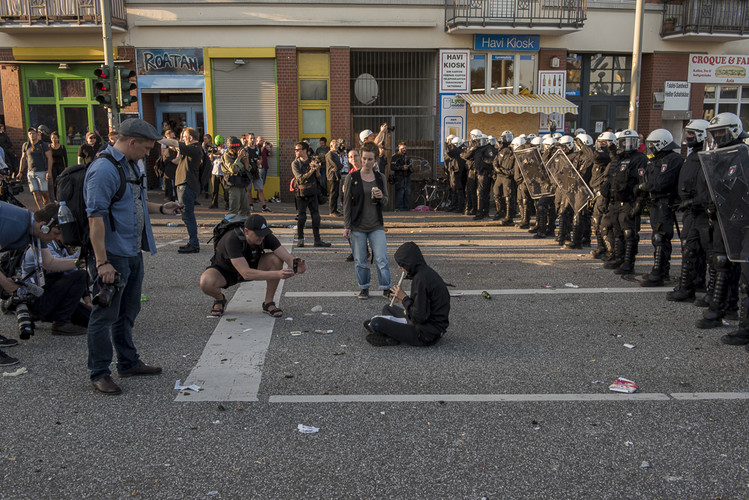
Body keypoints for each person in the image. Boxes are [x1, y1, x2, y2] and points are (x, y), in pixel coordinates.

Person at [83, 118, 182, 395]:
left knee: (127, 312)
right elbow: (96, 218)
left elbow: (135, 201)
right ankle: (99, 372)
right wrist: (102, 262)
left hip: (132, 251)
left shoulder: (128, 165)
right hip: (113, 255)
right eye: (147, 148)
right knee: (104, 315)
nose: (148, 154)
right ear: (131, 142)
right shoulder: (103, 169)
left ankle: (128, 362)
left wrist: (162, 209)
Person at [0, 201, 73, 365]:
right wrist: (8, 285)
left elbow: (49, 263)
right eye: (55, 233)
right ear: (44, 226)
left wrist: (78, 262)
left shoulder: (36, 231)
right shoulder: (15, 225)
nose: (57, 238)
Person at [200, 214, 306, 317]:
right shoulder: (232, 239)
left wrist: (296, 265)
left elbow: (286, 257)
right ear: (246, 231)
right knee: (206, 282)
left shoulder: (264, 235)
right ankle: (220, 299)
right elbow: (246, 273)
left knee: (276, 259)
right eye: (258, 234)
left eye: (264, 233)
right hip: (226, 270)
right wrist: (278, 274)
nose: (262, 237)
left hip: (252, 265)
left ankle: (268, 302)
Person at [364, 241, 450, 347]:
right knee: (388, 308)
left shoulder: (421, 280)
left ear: (409, 263)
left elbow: (419, 317)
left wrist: (404, 299)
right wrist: (401, 300)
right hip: (426, 324)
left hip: (426, 334)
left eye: (402, 264)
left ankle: (390, 337)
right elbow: (422, 307)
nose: (400, 267)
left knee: (376, 322)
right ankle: (391, 332)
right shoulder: (424, 273)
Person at [21, 227, 91, 335]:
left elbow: (75, 276)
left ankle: (51, 317)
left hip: (50, 297)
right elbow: (53, 265)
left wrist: (88, 302)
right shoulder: (41, 246)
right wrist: (78, 261)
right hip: (35, 300)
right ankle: (61, 323)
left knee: (91, 318)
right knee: (81, 275)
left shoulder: (62, 248)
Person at [342, 142, 390, 300]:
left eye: (370, 159)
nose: (366, 162)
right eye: (364, 158)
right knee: (360, 260)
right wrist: (347, 226)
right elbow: (347, 204)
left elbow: (386, 201)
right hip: (357, 226)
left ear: (375, 159)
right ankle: (364, 288)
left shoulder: (380, 177)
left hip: (376, 225)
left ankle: (385, 288)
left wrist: (381, 197)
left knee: (382, 258)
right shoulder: (352, 177)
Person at [639, 129, 683, 287]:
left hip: (665, 202)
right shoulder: (655, 160)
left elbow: (661, 182)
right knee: (657, 237)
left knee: (661, 237)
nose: (650, 148)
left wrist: (645, 186)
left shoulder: (673, 159)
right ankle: (662, 270)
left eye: (653, 144)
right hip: (655, 203)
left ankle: (658, 273)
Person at [160, 127, 204, 254]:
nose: (182, 140)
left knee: (188, 215)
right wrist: (179, 150)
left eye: (184, 137)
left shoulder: (194, 148)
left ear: (190, 138)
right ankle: (192, 242)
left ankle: (194, 244)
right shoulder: (190, 150)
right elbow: (177, 160)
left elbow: (173, 143)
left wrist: (158, 139)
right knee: (186, 215)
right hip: (184, 184)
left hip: (187, 185)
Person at [291, 142, 331, 248]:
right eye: (295, 150)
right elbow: (300, 179)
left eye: (298, 149)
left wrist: (316, 170)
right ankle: (300, 239)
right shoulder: (295, 163)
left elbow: (318, 177)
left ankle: (317, 240)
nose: (296, 152)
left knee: (316, 216)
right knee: (302, 217)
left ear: (305, 150)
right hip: (301, 193)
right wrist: (311, 171)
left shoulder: (312, 161)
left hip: (313, 191)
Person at [18, 127, 52, 209]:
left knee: (44, 193)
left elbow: (49, 158)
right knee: (35, 192)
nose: (32, 135)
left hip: (42, 171)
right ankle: (41, 210)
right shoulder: (26, 145)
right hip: (31, 172)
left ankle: (48, 208)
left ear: (37, 134)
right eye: (30, 133)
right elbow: (23, 158)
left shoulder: (43, 145)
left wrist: (49, 171)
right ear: (28, 135)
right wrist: (20, 171)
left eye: (33, 133)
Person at [221, 136, 252, 217]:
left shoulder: (240, 155)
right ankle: (230, 225)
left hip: (243, 183)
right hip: (233, 184)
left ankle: (243, 225)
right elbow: (233, 169)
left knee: (245, 209)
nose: (239, 150)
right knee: (233, 209)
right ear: (232, 148)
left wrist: (246, 159)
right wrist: (239, 157)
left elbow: (247, 169)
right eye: (237, 148)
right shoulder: (227, 156)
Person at [390, 142, 413, 211]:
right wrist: (402, 167)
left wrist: (410, 168)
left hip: (407, 177)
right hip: (399, 177)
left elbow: (410, 166)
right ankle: (400, 208)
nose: (404, 149)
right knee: (401, 192)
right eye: (402, 148)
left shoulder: (407, 157)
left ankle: (406, 208)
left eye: (405, 148)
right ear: (399, 148)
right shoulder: (395, 156)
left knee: (407, 192)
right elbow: (392, 167)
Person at [325, 139, 343, 216]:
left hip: (336, 176)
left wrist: (339, 166)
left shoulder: (336, 154)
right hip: (332, 176)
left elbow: (339, 165)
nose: (337, 147)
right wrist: (339, 166)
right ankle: (332, 211)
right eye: (335, 145)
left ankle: (335, 210)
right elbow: (337, 165)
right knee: (333, 193)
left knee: (336, 194)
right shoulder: (330, 154)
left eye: (337, 145)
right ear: (331, 146)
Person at [49, 131, 67, 201]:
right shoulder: (49, 147)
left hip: (60, 166)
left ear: (58, 139)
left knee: (61, 181)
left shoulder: (62, 147)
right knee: (54, 182)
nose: (54, 139)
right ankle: (55, 197)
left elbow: (65, 157)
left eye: (55, 138)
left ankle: (62, 196)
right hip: (52, 166)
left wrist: (66, 166)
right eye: (52, 138)